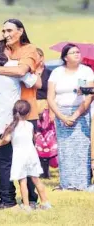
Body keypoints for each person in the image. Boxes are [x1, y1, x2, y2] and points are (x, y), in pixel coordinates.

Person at [0, 19, 41, 208]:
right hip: (8, 123)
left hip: (14, 118)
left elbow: (24, 73)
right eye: (3, 32)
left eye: (9, 31)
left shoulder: (26, 52)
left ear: (21, 31)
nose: (5, 36)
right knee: (6, 163)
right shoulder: (8, 66)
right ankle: (8, 200)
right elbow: (34, 81)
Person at [47, 43, 94, 190]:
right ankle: (66, 183)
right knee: (65, 148)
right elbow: (50, 97)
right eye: (73, 52)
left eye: (78, 52)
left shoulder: (86, 71)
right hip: (61, 111)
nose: (77, 54)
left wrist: (75, 115)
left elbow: (89, 95)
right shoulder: (57, 72)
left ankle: (81, 183)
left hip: (81, 112)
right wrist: (60, 116)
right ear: (65, 57)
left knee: (81, 147)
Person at [0, 100, 51, 211]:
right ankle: (45, 202)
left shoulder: (11, 127)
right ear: (28, 113)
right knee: (36, 180)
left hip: (19, 156)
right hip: (31, 155)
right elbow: (31, 138)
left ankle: (26, 206)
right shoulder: (30, 125)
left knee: (23, 182)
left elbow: (6, 140)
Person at [35, 48, 53, 179]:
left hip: (46, 106)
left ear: (42, 57)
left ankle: (45, 170)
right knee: (35, 138)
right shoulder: (29, 73)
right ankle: (36, 168)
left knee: (47, 138)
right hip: (31, 106)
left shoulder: (50, 73)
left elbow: (52, 93)